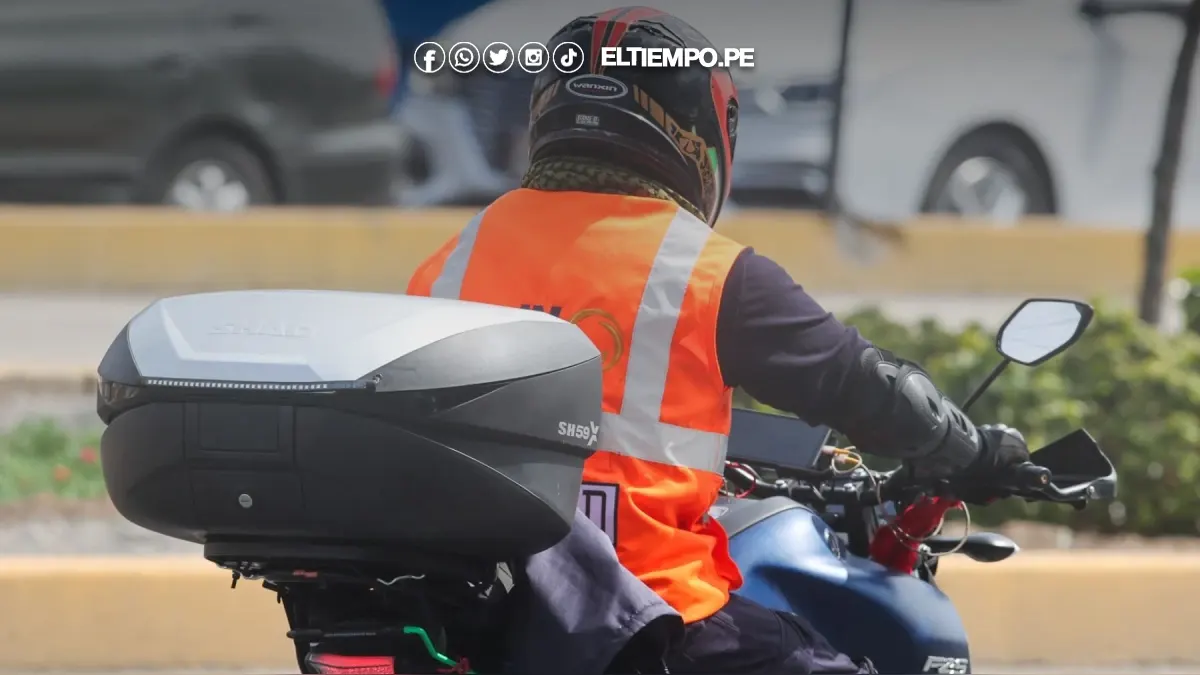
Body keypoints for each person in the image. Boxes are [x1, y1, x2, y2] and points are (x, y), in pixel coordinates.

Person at [407, 7, 1031, 674]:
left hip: (474, 618)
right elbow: (865, 385)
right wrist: (970, 448)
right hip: (647, 619)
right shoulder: (707, 272)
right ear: (701, 137)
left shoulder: (448, 262)